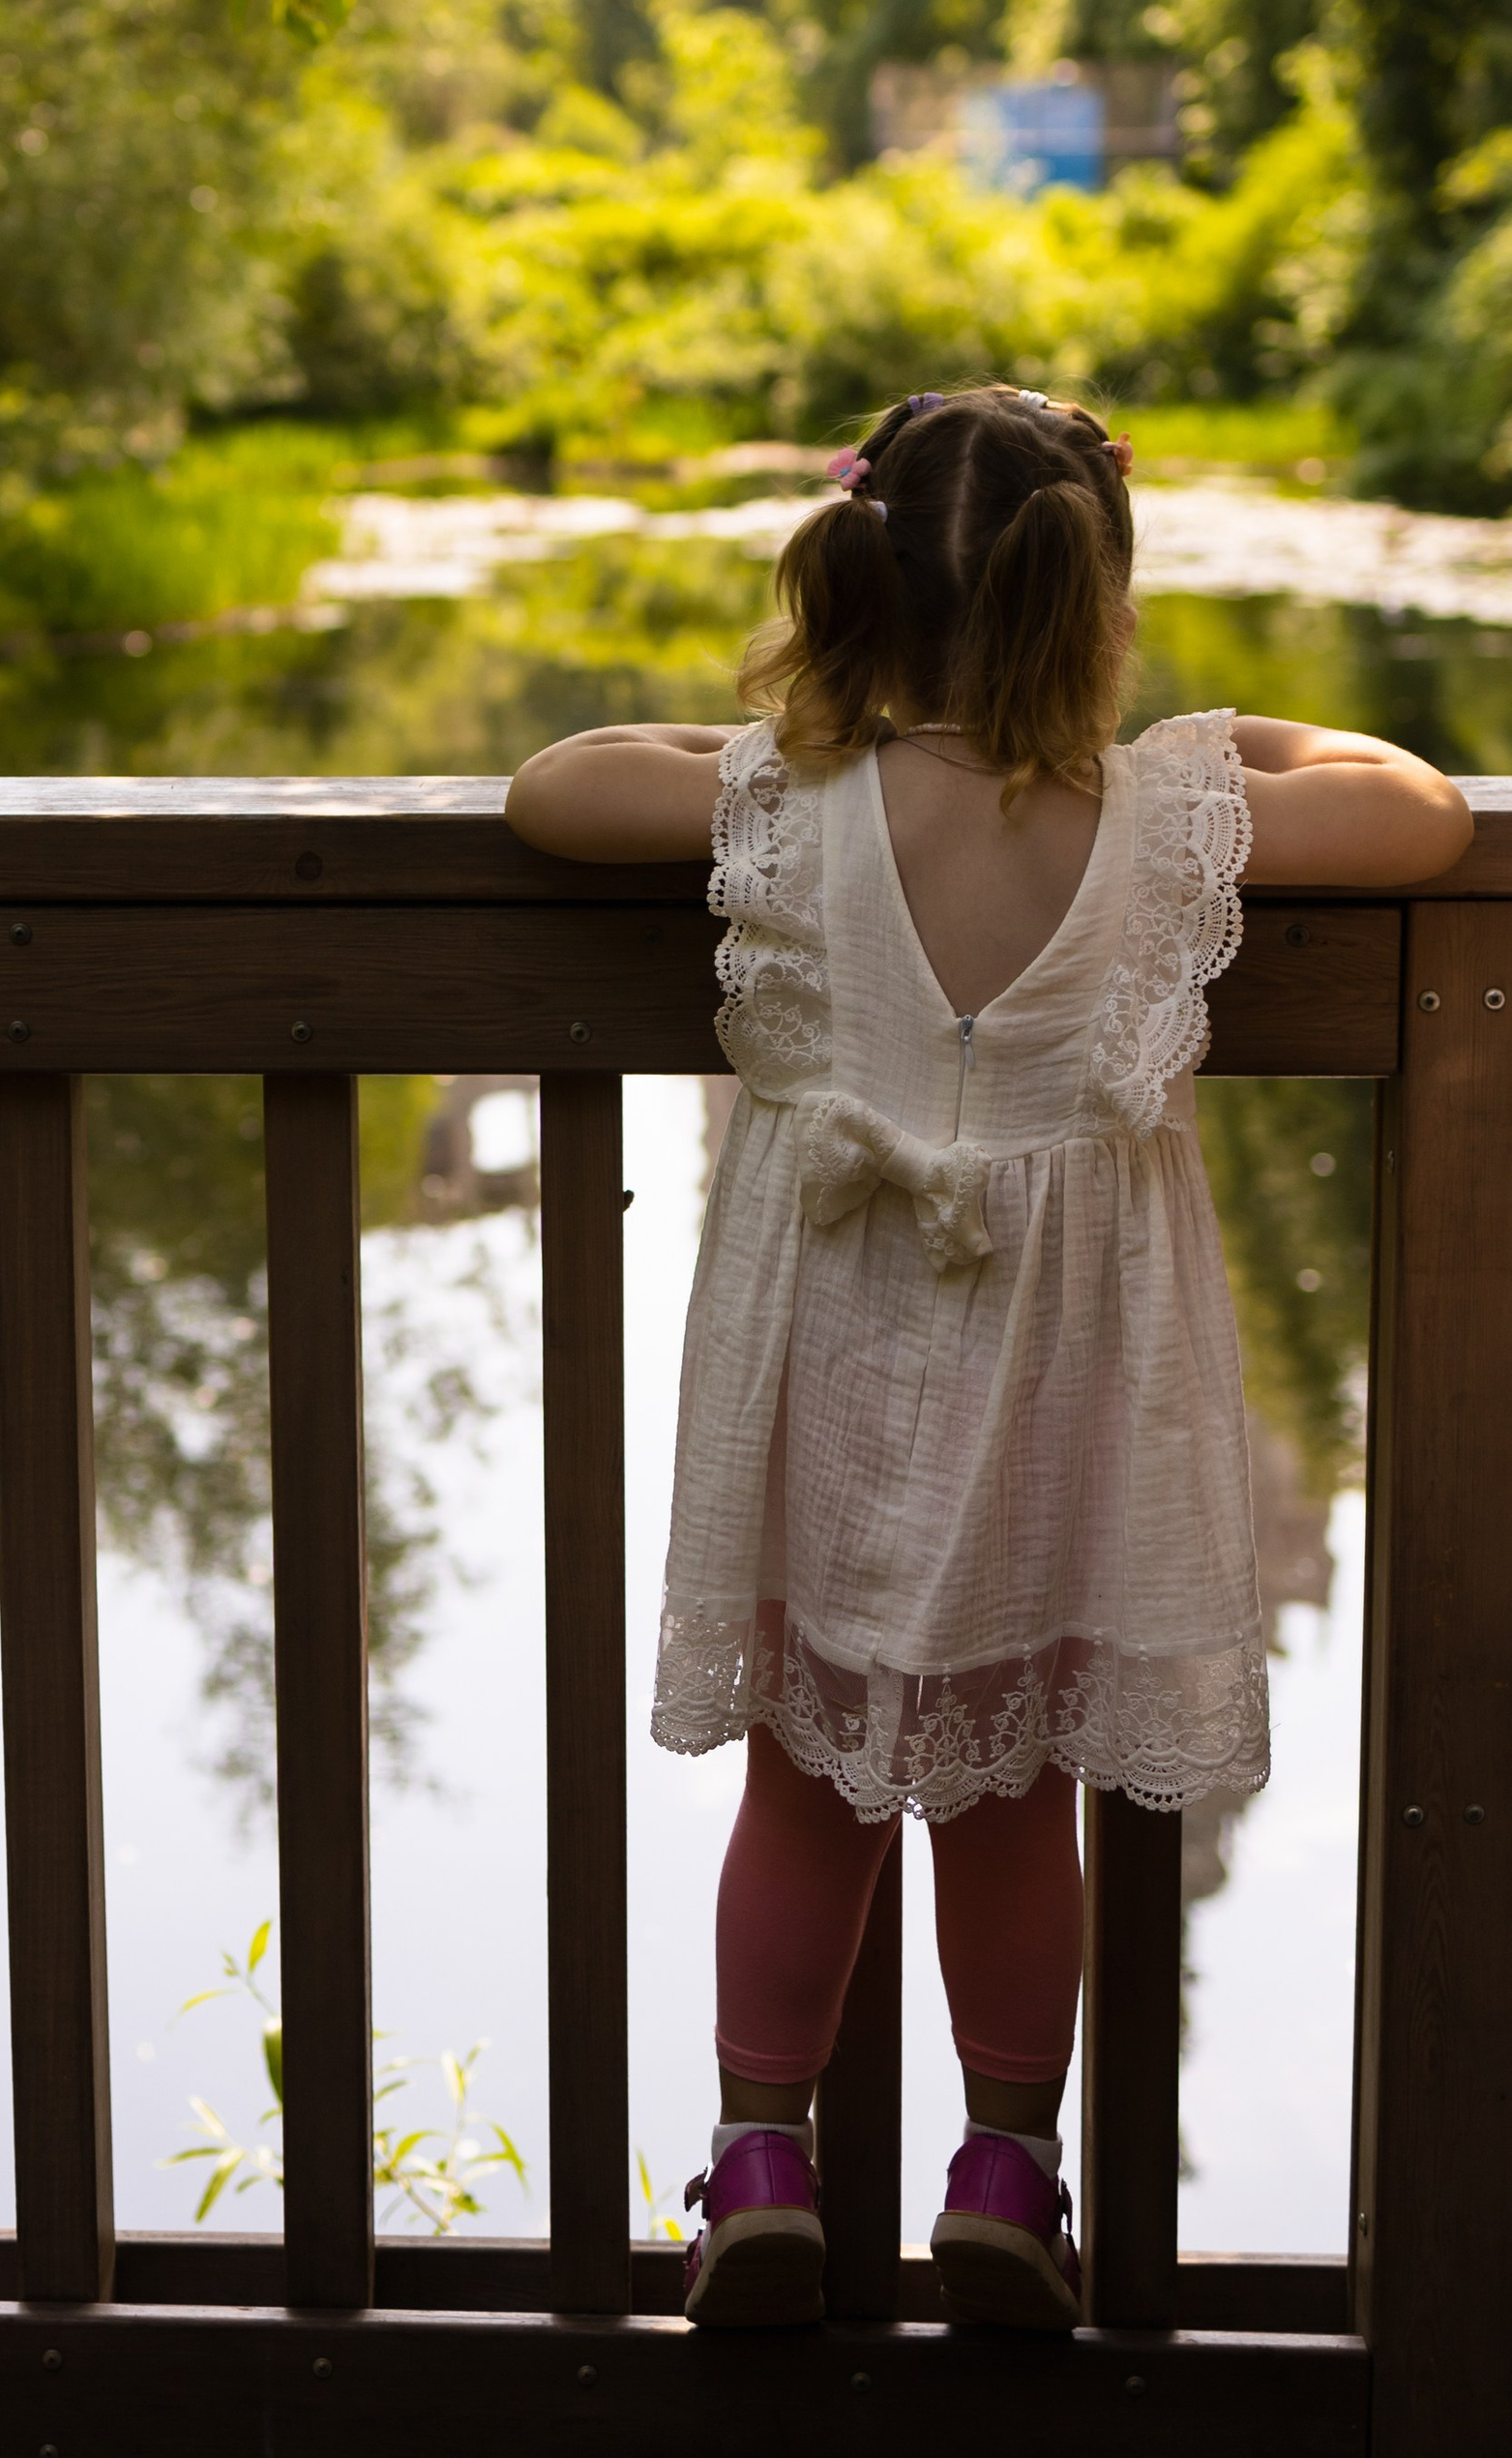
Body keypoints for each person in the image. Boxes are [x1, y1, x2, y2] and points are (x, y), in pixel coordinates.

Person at [504, 386, 1471, 2330]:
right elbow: (1419, 811)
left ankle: (760, 2160)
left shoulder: (783, 801)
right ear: (1088, 604)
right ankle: (1004, 2177)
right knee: (1014, 1792)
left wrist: (780, 737)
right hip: (1056, 1396)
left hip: (824, 1376)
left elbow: (551, 785)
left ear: (851, 589)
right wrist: (1234, 737)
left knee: (798, 1780)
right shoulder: (1161, 817)